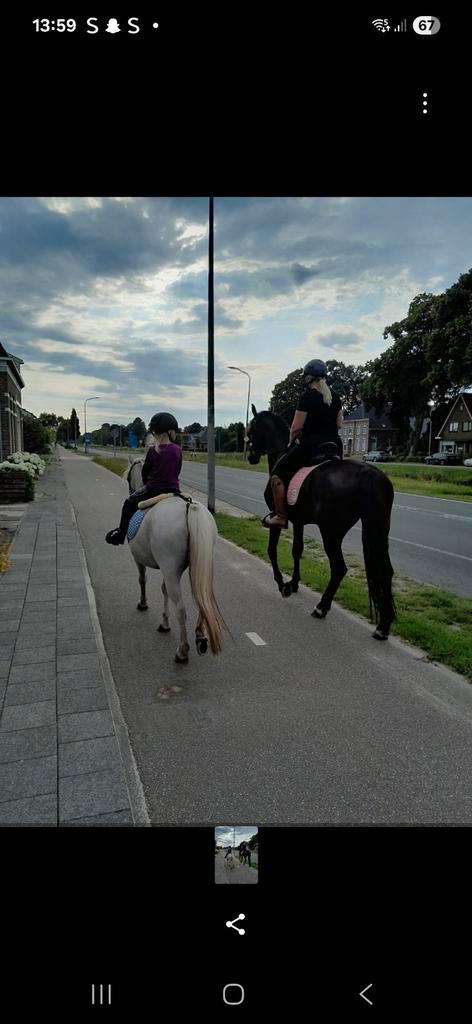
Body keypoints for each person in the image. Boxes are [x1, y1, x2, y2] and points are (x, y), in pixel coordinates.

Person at [264, 359, 343, 528]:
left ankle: (280, 516)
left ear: (308, 378)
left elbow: (296, 427)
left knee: (277, 475)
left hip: (311, 446)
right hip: (334, 446)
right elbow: (339, 424)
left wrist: (290, 442)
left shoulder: (307, 397)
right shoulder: (336, 398)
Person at [105, 412, 181, 545]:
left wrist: (148, 483)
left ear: (156, 432)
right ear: (169, 431)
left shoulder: (153, 451)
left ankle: (121, 533)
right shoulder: (177, 450)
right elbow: (177, 471)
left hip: (153, 490)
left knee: (128, 503)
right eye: (175, 431)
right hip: (174, 491)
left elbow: (145, 473)